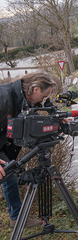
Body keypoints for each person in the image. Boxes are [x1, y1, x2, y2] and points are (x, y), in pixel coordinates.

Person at [0, 71, 57, 227]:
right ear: (36, 89)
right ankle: (16, 217)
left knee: (8, 174)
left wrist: (56, 122)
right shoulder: (3, 97)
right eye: (44, 96)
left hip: (2, 143)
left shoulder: (22, 99)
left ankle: (16, 218)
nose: (43, 100)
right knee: (7, 174)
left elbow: (34, 119)